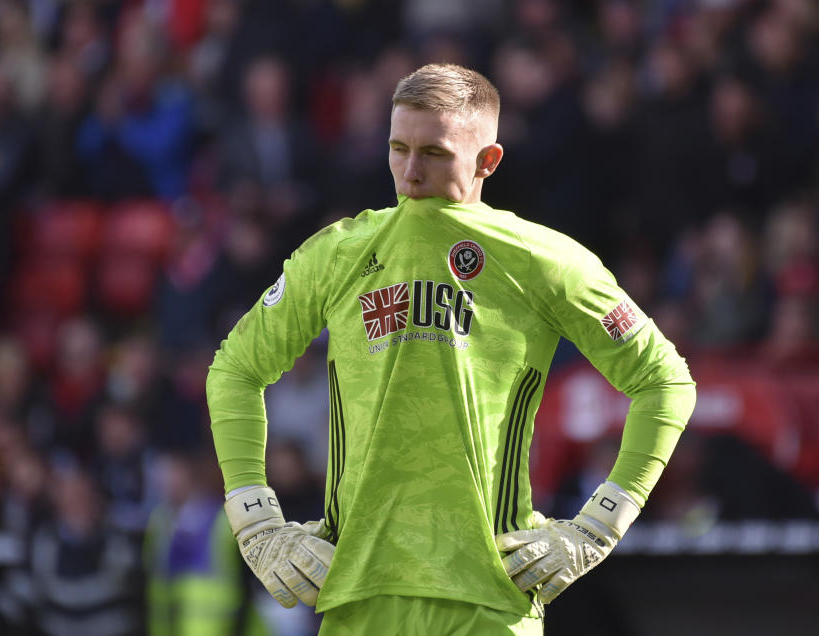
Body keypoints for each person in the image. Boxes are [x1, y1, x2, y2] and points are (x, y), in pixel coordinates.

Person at [206, 63, 696, 635]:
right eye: (397, 148)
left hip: (489, 598)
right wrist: (255, 519)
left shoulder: (543, 260)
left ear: (488, 160)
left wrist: (598, 525)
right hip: (357, 595)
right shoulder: (337, 253)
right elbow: (235, 369)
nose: (409, 172)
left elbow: (666, 382)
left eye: (434, 153)